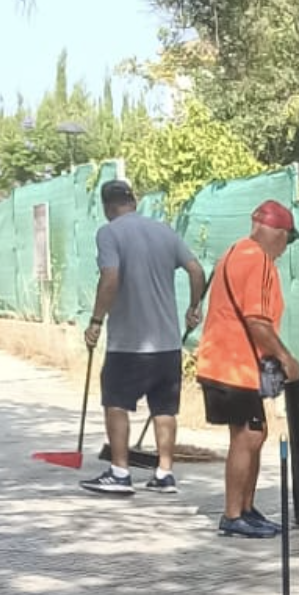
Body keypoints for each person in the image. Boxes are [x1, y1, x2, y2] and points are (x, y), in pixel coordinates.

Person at [79, 179, 207, 496]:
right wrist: (194, 306)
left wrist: (96, 321)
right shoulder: (164, 231)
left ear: (108, 206)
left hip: (129, 344)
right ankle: (164, 474)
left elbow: (110, 278)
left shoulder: (109, 233)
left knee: (116, 404)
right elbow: (196, 271)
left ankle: (120, 472)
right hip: (167, 343)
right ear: (133, 201)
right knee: (164, 409)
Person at [194, 199, 299, 539]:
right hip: (233, 364)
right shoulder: (255, 258)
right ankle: (233, 514)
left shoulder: (235, 252)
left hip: (227, 361)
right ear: (275, 231)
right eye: (288, 238)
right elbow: (256, 320)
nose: (286, 247)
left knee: (253, 435)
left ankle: (246, 508)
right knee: (248, 435)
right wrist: (286, 359)